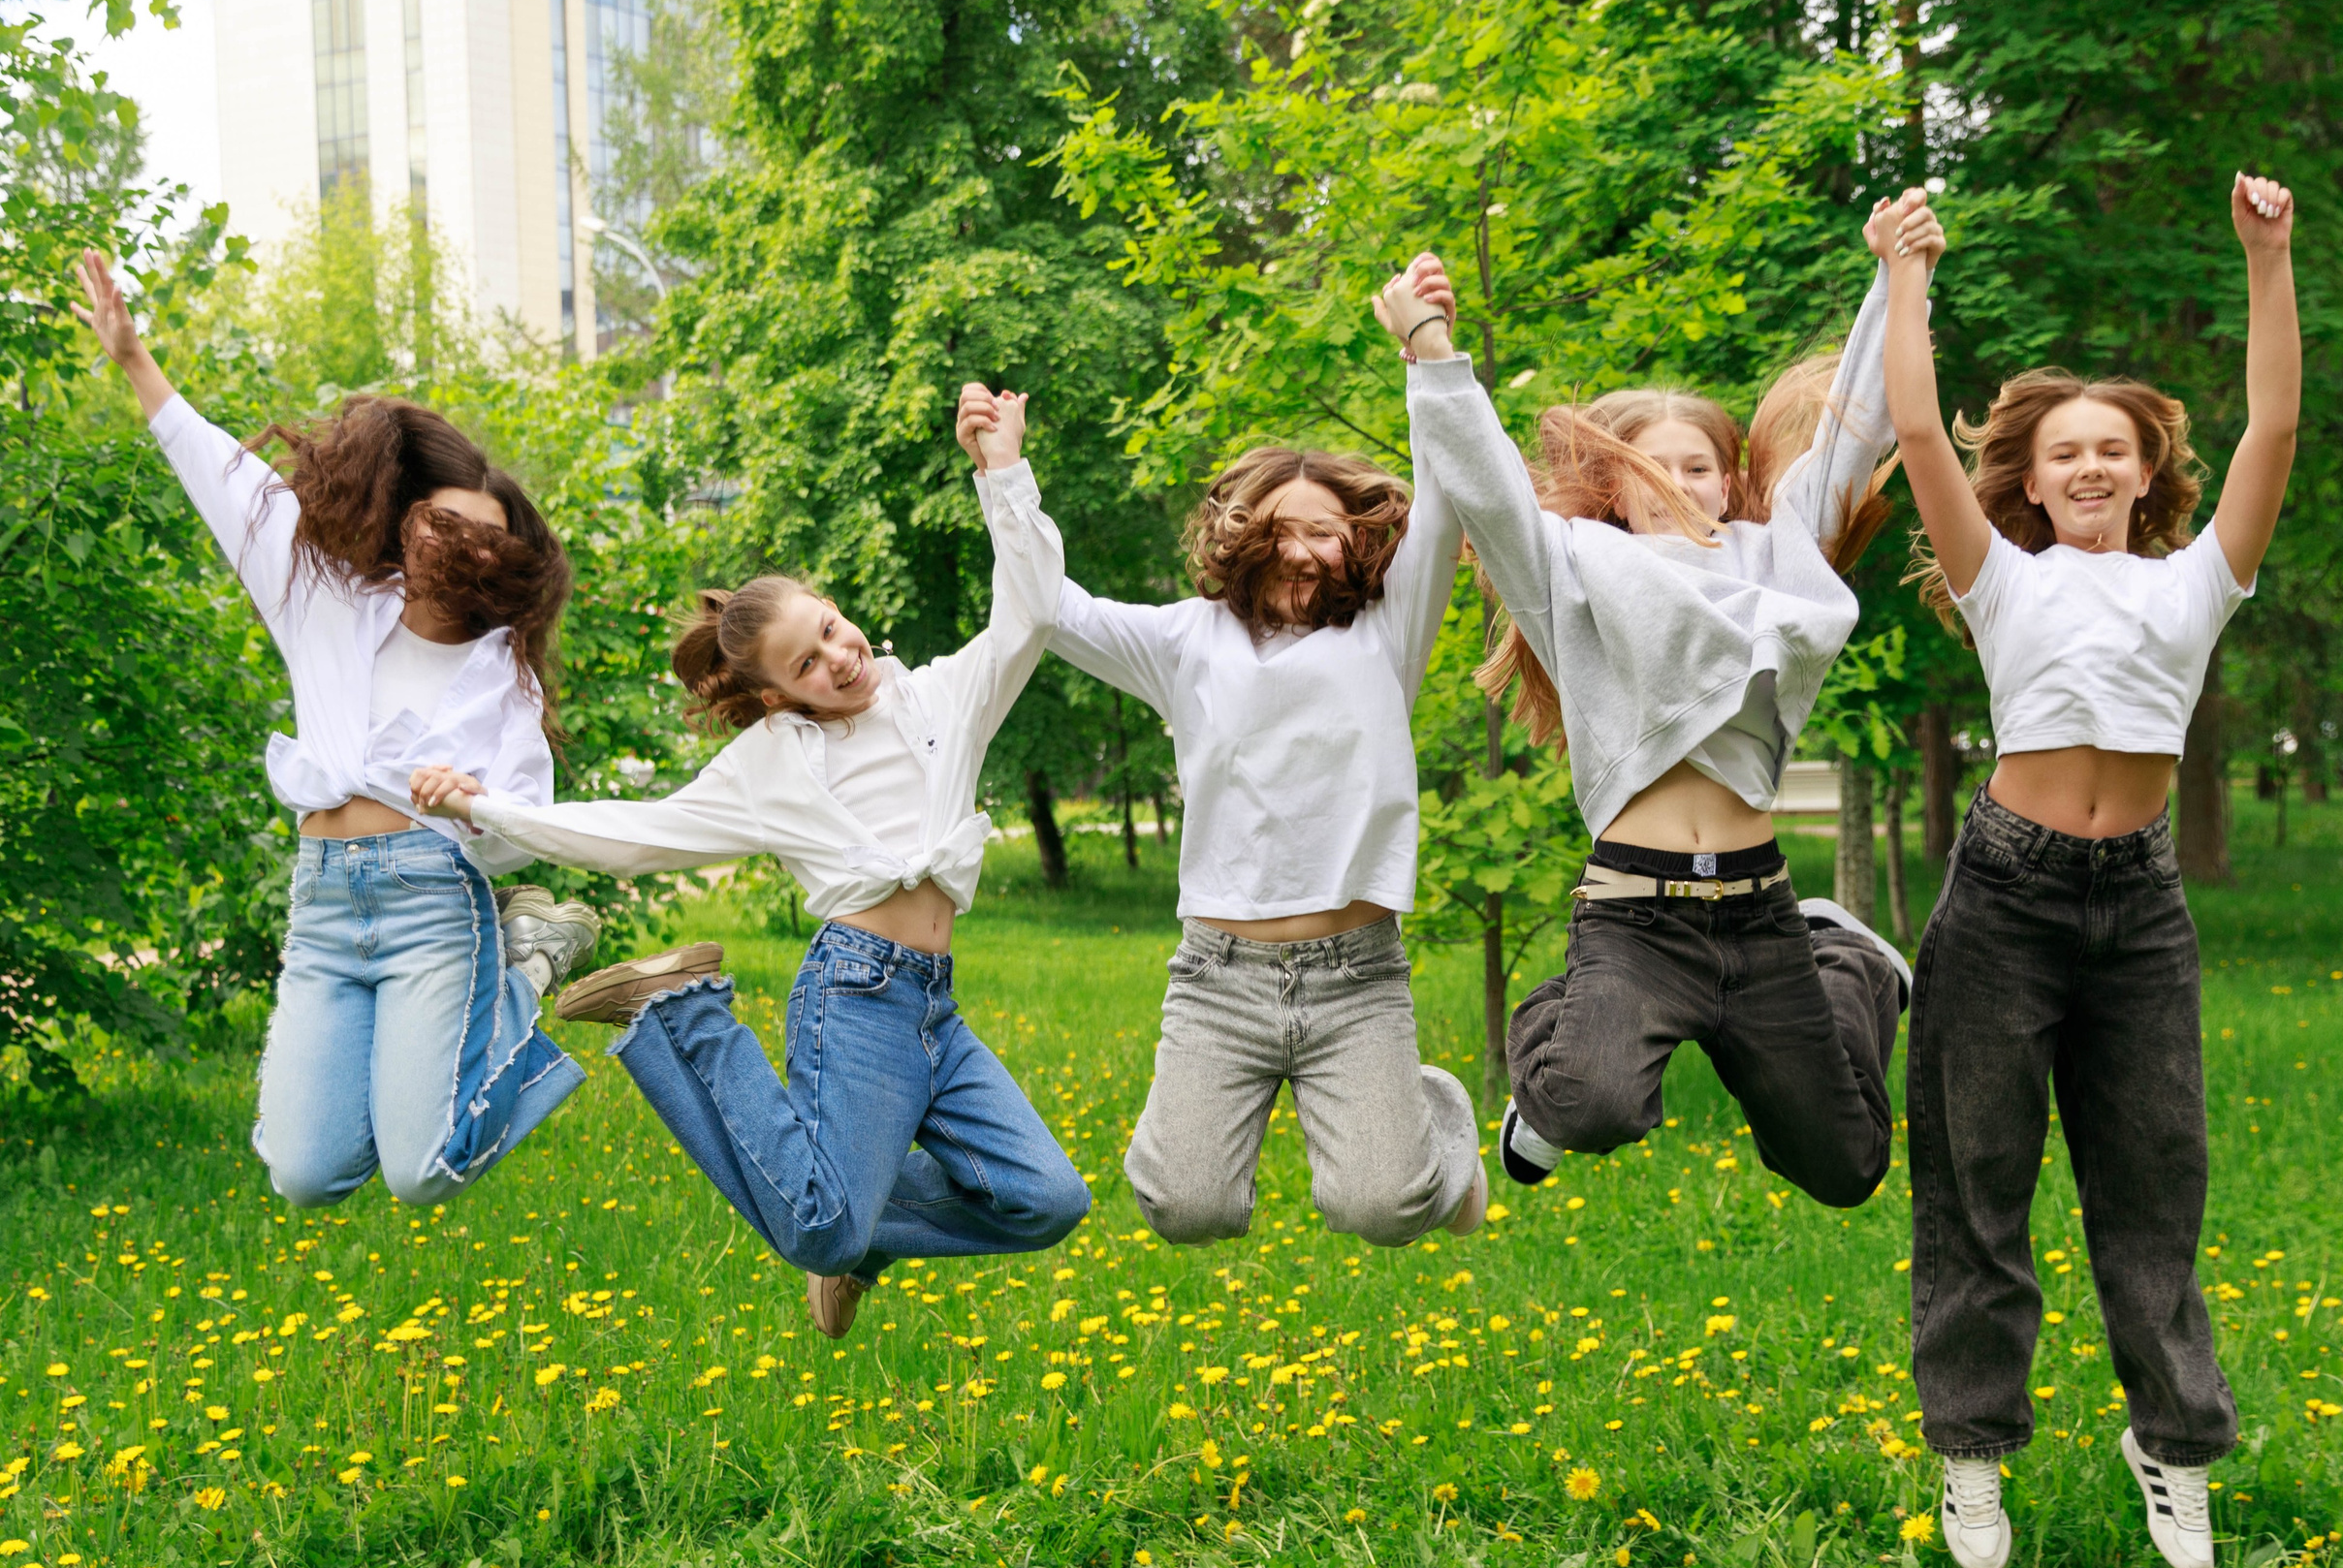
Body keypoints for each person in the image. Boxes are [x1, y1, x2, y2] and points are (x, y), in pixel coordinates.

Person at [413, 385, 1088, 1338]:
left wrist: (1002, 473)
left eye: (831, 630)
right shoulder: (775, 765)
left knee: (1047, 1200)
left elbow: (1029, 615)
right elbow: (640, 831)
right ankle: (676, 1011)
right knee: (816, 1228)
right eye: (806, 665)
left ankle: (867, 1237)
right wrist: (483, 806)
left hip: (934, 1003)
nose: (838, 658)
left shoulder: (942, 697)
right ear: (775, 696)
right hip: (854, 1000)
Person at [1887, 174, 2297, 1568]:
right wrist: (1906, 275)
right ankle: (1972, 1448)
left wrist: (2266, 257)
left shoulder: (2195, 582)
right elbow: (1911, 429)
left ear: (2145, 468)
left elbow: (2277, 429)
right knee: (1978, 1175)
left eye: (2112, 447)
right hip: (2004, 898)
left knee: (2153, 1184)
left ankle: (2172, 1449)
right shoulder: (1998, 575)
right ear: (2031, 473)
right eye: (2064, 450)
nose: (2089, 467)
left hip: (2139, 906)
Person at [1378, 203, 1918, 1217]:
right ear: (1610, 489)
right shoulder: (1575, 570)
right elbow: (1489, 483)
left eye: (1699, 465)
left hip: (1760, 911)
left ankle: (1842, 955)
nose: (1677, 481)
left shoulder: (1778, 558)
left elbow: (1855, 432)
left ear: (1735, 482)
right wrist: (1428, 342)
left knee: (1846, 1166)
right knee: (1587, 1105)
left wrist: (1895, 277)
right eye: (1650, 467)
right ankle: (1562, 1045)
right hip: (1637, 915)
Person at [70, 250, 601, 1208]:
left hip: (433, 902)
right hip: (321, 904)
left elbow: (519, 822)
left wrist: (472, 807)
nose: (456, 542)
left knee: (422, 1170)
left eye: (482, 537)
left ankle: (529, 961)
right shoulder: (323, 597)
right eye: (440, 521)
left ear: (504, 562)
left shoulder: (501, 680)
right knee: (307, 1173)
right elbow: (224, 480)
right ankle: (470, 1015)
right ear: (405, 526)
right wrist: (134, 359)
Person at [1044, 299, 1484, 1249]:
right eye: (1281, 528)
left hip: (1355, 973)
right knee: (1184, 1208)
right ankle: (1303, 1126)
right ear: (1240, 534)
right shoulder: (1184, 640)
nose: (1301, 547)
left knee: (1383, 1208)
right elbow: (1053, 609)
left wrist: (1425, 349)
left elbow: (1447, 493)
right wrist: (1004, 475)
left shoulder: (1387, 631)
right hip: (1219, 972)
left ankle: (1433, 1125)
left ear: (1357, 544)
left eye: (1325, 531)